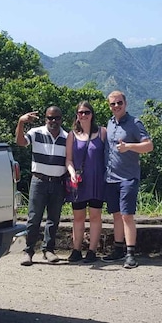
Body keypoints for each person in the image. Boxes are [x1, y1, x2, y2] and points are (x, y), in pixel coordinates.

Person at [103, 91, 153, 268]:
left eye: (119, 103)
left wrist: (129, 147)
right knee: (116, 215)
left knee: (127, 216)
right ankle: (118, 249)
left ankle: (131, 253)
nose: (116, 106)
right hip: (111, 178)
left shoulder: (134, 123)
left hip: (128, 178)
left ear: (126, 103)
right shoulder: (109, 123)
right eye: (112, 104)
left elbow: (148, 146)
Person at [16, 106, 68, 266]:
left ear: (61, 119)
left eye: (56, 118)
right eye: (50, 118)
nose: (53, 121)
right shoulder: (36, 132)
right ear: (45, 118)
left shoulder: (67, 137)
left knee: (54, 218)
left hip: (58, 182)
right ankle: (28, 251)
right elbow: (20, 142)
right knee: (34, 218)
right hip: (39, 181)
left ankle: (48, 250)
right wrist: (21, 123)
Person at [65, 101, 107, 263]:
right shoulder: (72, 135)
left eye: (87, 112)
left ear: (92, 114)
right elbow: (68, 160)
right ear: (77, 115)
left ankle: (92, 251)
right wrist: (72, 173)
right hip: (79, 182)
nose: (83, 115)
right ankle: (76, 250)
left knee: (95, 216)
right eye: (80, 112)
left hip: (97, 181)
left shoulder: (102, 133)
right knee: (78, 217)